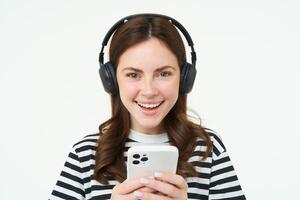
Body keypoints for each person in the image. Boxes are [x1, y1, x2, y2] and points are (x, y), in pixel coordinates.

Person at [50, 13, 246, 200]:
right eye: (133, 75)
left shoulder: (208, 150)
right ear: (112, 80)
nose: (149, 90)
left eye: (164, 74)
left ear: (185, 78)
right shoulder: (86, 155)